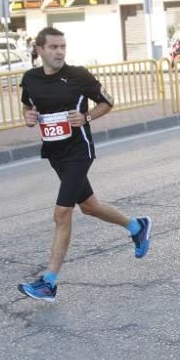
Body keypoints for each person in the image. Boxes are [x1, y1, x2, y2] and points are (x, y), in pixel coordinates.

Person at [17, 27, 151, 302]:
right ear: (39, 49)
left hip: (80, 151)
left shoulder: (77, 76)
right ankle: (137, 227)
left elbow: (108, 102)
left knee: (62, 213)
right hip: (55, 154)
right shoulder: (30, 79)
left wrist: (86, 118)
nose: (59, 52)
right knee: (90, 207)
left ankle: (49, 282)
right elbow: (28, 107)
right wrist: (29, 117)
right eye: (53, 47)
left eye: (62, 46)